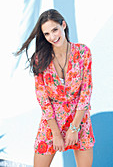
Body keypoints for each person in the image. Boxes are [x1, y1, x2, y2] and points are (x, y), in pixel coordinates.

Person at [16, 9, 95, 167]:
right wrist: (56, 133)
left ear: (63, 25)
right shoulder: (40, 59)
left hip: (79, 118)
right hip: (52, 121)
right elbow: (42, 98)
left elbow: (86, 93)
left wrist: (74, 127)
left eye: (54, 30)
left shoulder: (83, 52)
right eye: (46, 34)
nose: (52, 37)